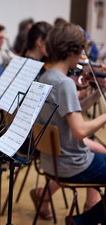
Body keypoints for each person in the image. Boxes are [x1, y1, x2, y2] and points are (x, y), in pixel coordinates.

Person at [24, 21, 106, 220]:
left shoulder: (45, 77)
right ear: (73, 51)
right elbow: (79, 130)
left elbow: (71, 112)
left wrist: (97, 93)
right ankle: (83, 221)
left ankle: (85, 217)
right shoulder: (64, 83)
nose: (82, 56)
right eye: (81, 51)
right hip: (73, 164)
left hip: (51, 162)